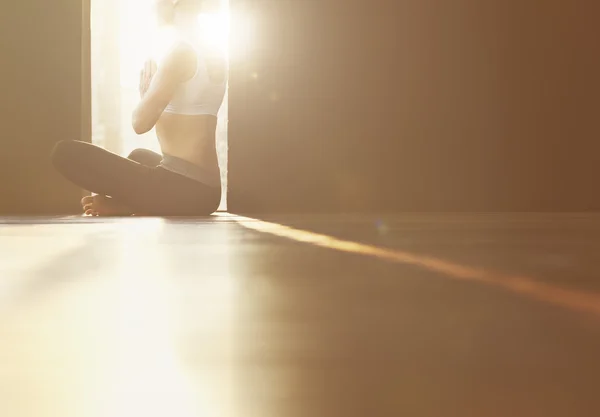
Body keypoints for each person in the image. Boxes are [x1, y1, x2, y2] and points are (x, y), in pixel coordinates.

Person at [51, 0, 227, 216]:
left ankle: (126, 205)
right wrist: (152, 97)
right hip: (206, 189)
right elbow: (185, 119)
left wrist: (145, 96)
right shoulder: (212, 52)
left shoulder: (180, 53)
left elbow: (140, 123)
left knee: (64, 152)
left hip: (184, 189)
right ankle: (129, 204)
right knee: (139, 156)